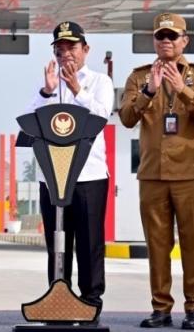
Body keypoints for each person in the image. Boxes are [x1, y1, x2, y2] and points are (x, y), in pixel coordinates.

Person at [118, 13, 194, 330]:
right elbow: (126, 117)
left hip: (191, 174)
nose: (166, 41)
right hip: (153, 174)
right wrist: (149, 91)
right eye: (161, 36)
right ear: (154, 41)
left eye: (172, 36)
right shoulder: (139, 77)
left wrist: (184, 90)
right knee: (158, 246)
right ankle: (161, 308)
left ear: (184, 41)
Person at [27, 21, 113, 312]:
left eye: (72, 48)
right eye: (59, 49)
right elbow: (29, 122)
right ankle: (57, 296)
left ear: (85, 49)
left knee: (89, 243)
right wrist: (48, 91)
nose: (66, 55)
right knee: (57, 242)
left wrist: (77, 89)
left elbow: (101, 118)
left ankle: (91, 300)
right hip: (52, 176)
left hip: (89, 176)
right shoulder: (47, 85)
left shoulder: (100, 82)